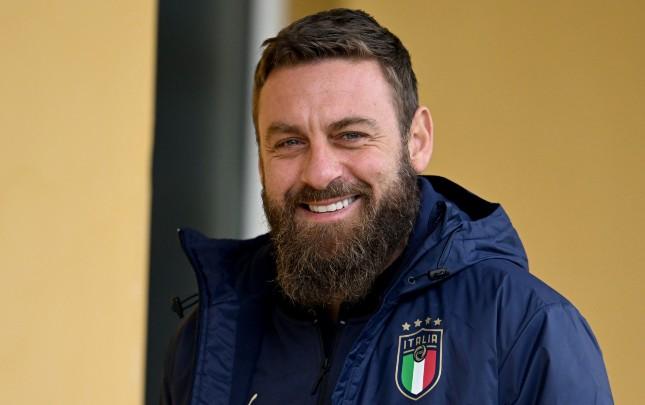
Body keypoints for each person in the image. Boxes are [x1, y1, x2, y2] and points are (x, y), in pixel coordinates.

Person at [161, 8, 613, 405]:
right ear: (261, 160)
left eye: (351, 135)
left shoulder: (522, 327)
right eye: (289, 143)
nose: (319, 173)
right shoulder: (209, 344)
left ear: (417, 141)